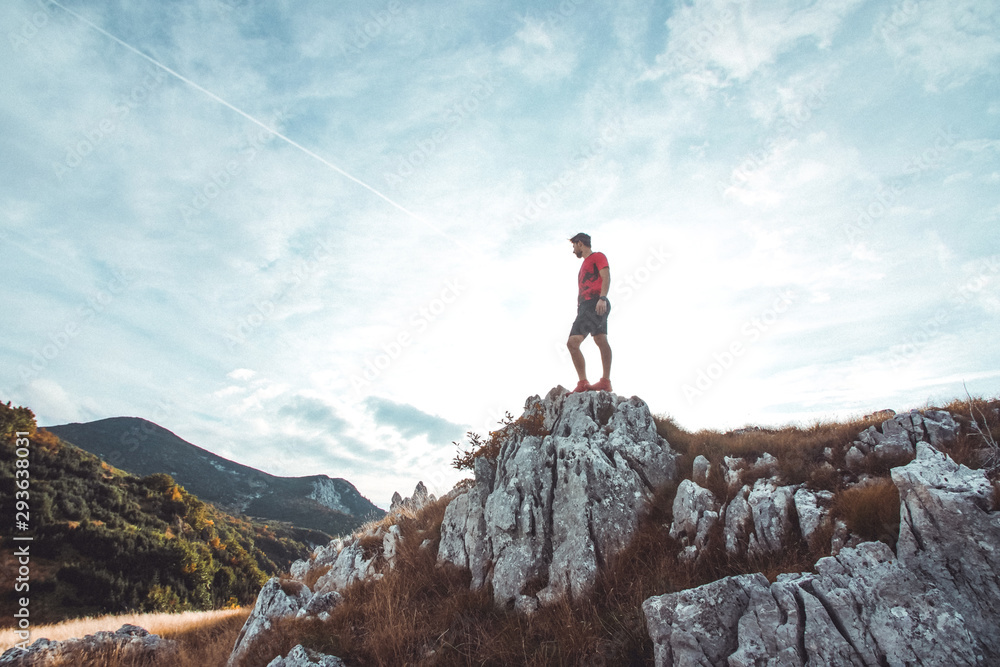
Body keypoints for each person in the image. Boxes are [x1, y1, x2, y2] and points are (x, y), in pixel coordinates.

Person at [567, 233, 612, 393]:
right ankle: (605, 382)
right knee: (600, 339)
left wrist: (603, 298)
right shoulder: (584, 264)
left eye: (574, 246)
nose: (573, 251)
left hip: (595, 303)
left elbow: (605, 276)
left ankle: (583, 383)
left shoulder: (597, 257)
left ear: (580, 244)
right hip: (587, 305)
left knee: (572, 343)